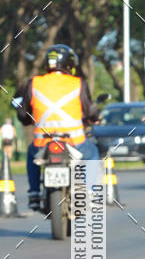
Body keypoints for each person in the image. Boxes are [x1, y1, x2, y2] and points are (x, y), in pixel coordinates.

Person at [17, 44, 99, 210]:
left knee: (31, 155)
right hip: (74, 142)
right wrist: (93, 118)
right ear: (69, 64)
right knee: (93, 154)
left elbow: (23, 114)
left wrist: (27, 120)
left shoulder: (34, 83)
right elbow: (90, 109)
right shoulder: (78, 83)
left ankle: (34, 193)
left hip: (43, 144)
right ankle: (88, 192)